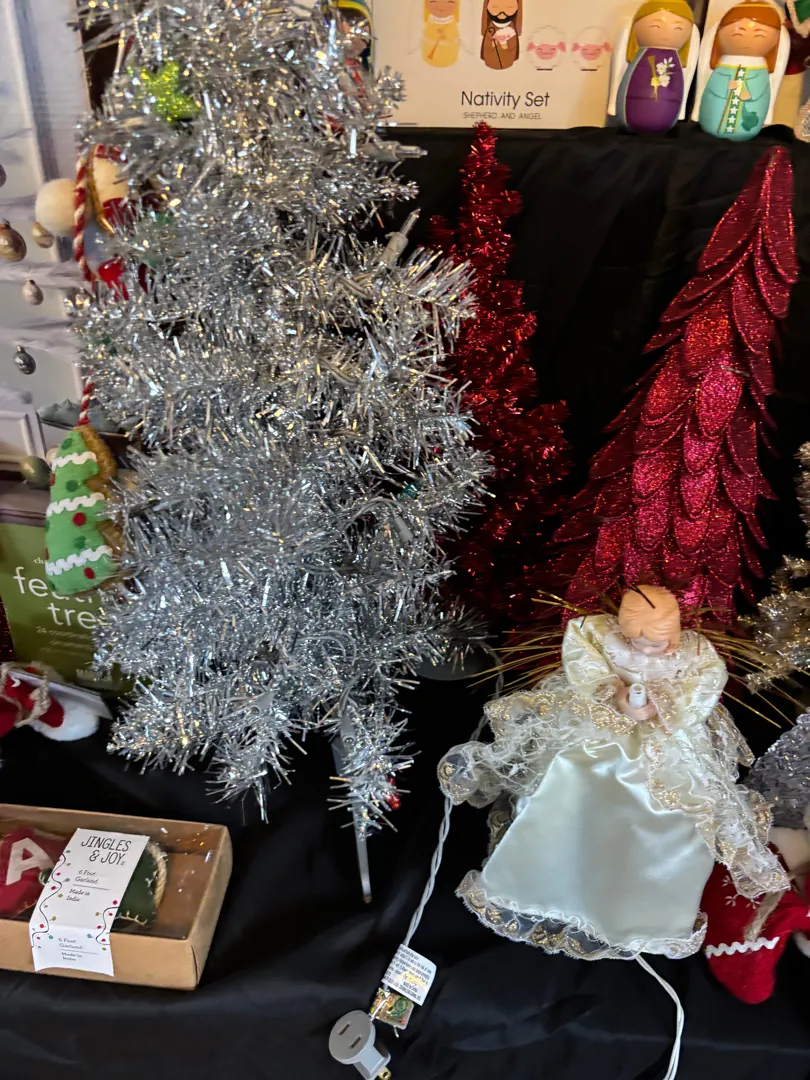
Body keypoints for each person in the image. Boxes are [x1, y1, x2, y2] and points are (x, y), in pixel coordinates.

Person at [439, 586, 787, 959]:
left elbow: (703, 685)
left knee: (678, 807)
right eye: (638, 642)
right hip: (603, 727)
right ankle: (540, 880)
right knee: (574, 773)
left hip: (667, 738)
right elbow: (583, 660)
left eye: (658, 643)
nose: (648, 651)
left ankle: (638, 914)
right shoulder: (597, 633)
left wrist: (664, 705)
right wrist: (614, 693)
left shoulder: (696, 652)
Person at [697, 2, 787, 140]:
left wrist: (750, 96)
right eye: (738, 33)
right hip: (712, 126)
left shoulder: (760, 69)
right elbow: (712, 88)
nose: (748, 40)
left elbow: (761, 90)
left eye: (759, 35)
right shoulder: (723, 65)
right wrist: (726, 87)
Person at [610, 1, 697, 133]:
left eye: (678, 28)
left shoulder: (677, 61)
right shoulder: (639, 55)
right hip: (631, 116)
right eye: (656, 26)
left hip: (666, 123)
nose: (666, 34)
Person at [423, 0, 461, 68]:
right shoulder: (429, 21)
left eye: (450, 2)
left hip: (450, 57)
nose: (441, 7)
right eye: (433, 1)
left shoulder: (452, 22)